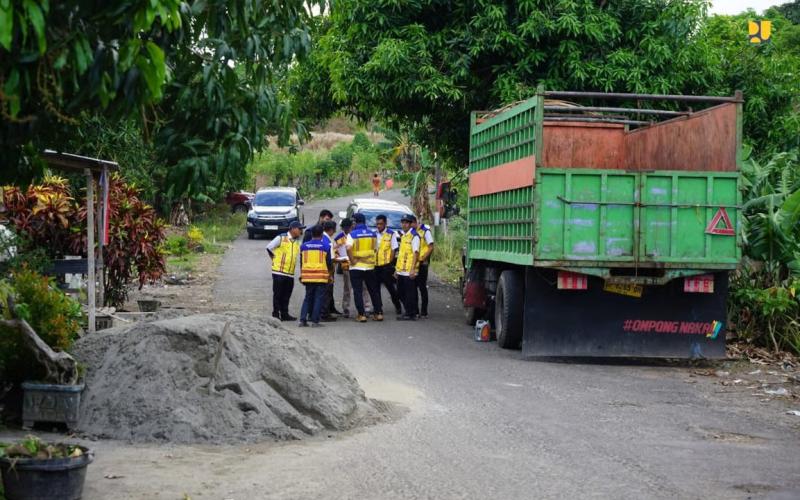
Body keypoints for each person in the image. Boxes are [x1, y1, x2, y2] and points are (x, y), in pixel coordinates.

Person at [347, 212, 383, 322]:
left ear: (354, 222)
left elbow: (348, 248)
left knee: (358, 291)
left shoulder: (352, 234)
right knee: (373, 290)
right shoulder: (372, 234)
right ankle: (378, 313)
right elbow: (376, 249)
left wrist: (352, 260)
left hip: (356, 267)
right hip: (369, 266)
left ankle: (361, 315)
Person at [265, 221, 304, 321]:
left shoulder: (297, 242)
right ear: (293, 229)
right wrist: (275, 260)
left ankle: (285, 313)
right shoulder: (281, 238)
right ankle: (276, 314)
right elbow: (269, 247)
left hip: (290, 273)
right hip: (279, 271)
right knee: (278, 294)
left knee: (287, 294)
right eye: (299, 229)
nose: (301, 231)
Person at [298, 225, 332, 327]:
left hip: (307, 276)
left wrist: (302, 275)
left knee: (307, 298)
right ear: (322, 235)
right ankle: (315, 321)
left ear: (312, 234)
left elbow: (301, 262)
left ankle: (302, 320)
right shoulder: (326, 247)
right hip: (320, 277)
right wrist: (330, 276)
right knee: (318, 298)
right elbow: (329, 263)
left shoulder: (303, 246)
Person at [375, 214, 402, 315]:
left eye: (381, 224)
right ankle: (378, 308)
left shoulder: (391, 234)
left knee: (390, 287)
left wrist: (389, 263)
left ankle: (398, 306)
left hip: (386, 266)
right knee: (376, 289)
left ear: (385, 224)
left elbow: (394, 249)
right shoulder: (374, 234)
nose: (379, 226)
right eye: (377, 224)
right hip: (376, 265)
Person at [395, 214, 420, 321]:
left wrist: (413, 269)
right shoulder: (404, 236)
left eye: (406, 223)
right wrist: (397, 269)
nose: (404, 225)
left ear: (410, 224)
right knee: (401, 292)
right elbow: (401, 254)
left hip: (409, 270)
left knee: (409, 293)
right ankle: (410, 311)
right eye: (403, 223)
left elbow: (416, 253)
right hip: (401, 270)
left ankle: (411, 313)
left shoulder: (414, 236)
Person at [412, 219, 435, 318]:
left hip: (422, 263)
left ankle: (424, 311)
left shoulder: (425, 231)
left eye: (411, 223)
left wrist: (423, 258)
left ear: (415, 222)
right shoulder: (412, 232)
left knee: (422, 286)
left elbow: (431, 247)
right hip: (415, 262)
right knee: (414, 286)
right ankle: (416, 310)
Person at [333, 218, 354, 317]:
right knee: (347, 289)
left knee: (363, 288)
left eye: (348, 227)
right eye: (344, 228)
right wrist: (339, 258)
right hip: (346, 265)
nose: (346, 229)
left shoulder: (355, 235)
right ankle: (346, 308)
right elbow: (334, 252)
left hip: (357, 265)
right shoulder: (338, 238)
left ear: (351, 227)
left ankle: (365, 308)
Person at [320, 219, 340, 321]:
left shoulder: (320, 237)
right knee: (327, 293)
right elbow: (331, 259)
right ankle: (325, 314)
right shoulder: (328, 241)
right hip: (326, 270)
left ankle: (319, 313)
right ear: (331, 230)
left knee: (321, 293)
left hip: (318, 269)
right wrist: (331, 274)